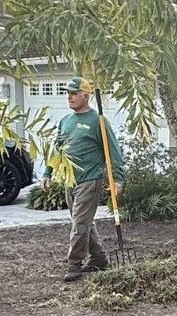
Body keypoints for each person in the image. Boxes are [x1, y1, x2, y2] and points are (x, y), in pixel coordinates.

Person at [49, 77, 125, 282]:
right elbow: (58, 150)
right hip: (70, 180)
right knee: (81, 222)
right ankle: (99, 259)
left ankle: (74, 263)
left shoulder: (97, 121)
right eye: (68, 93)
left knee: (80, 223)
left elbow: (113, 151)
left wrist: (117, 179)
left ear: (86, 95)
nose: (69, 97)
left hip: (90, 179)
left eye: (74, 93)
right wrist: (48, 173)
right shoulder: (65, 121)